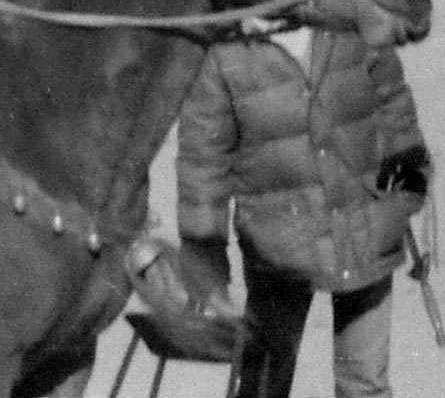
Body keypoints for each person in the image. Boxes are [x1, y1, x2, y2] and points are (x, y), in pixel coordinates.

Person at [178, 21, 429, 398]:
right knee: (262, 384)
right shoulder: (225, 53)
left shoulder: (350, 23)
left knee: (365, 385)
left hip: (365, 232)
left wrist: (405, 198)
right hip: (278, 249)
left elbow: (396, 110)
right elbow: (203, 163)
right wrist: (204, 249)